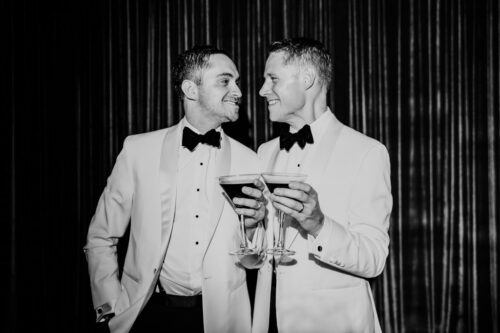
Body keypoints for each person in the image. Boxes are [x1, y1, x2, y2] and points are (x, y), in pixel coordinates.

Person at [84, 45, 266, 333]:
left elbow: (256, 259)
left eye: (237, 82)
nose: (239, 92)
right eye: (225, 80)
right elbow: (100, 236)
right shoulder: (138, 150)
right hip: (149, 316)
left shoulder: (251, 160)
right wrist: (109, 309)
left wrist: (255, 227)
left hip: (222, 321)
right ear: (191, 89)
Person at [251, 38, 393, 333]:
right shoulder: (265, 152)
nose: (263, 90)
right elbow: (261, 251)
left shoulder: (366, 152)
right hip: (269, 322)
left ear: (307, 79)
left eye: (272, 79)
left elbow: (374, 259)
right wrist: (251, 226)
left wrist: (319, 225)